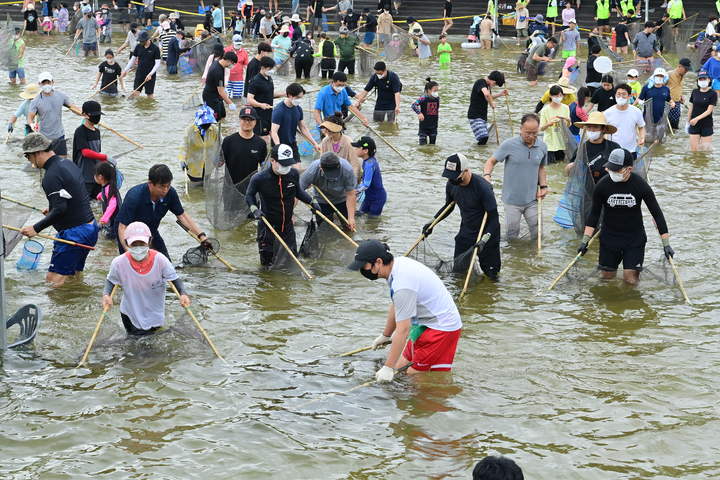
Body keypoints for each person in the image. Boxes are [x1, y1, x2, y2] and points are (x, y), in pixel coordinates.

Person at [347, 239, 463, 380]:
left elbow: (403, 330)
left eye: (364, 266)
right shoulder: (397, 266)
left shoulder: (403, 284)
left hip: (441, 328)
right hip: (424, 323)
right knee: (399, 368)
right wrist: (386, 335)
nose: (362, 271)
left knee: (414, 379)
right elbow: (396, 305)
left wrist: (387, 368)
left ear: (378, 262)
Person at [578, 148, 673, 285]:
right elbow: (594, 214)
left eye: (616, 170)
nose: (612, 172)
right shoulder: (602, 186)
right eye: (610, 169)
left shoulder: (641, 186)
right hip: (609, 238)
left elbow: (656, 214)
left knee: (631, 280)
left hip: (634, 239)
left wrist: (666, 244)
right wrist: (585, 241)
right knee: (606, 280)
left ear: (629, 169)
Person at [19, 133, 99, 287]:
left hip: (74, 235)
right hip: (90, 228)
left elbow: (61, 209)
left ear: (37, 152)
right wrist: (52, 209)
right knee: (73, 277)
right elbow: (75, 196)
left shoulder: (50, 176)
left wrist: (36, 228)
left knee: (52, 281)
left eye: (28, 156)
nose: (29, 161)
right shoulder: (68, 164)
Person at [104, 221, 191, 336]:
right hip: (130, 313)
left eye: (142, 243)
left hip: (155, 312)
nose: (138, 248)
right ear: (126, 243)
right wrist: (106, 295)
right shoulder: (119, 263)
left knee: (153, 339)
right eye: (134, 244)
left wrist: (183, 294)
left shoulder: (161, 260)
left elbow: (174, 280)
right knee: (137, 343)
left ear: (149, 241)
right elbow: (111, 281)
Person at [423, 153, 501, 279]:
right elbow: (448, 207)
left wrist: (483, 241)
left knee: (491, 276)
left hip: (487, 234)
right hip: (467, 232)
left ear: (465, 171)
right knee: (459, 273)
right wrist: (432, 223)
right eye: (449, 177)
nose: (452, 180)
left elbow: (494, 220)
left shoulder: (483, 188)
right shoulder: (452, 185)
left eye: (455, 177)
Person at [245, 144, 318, 267]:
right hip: (268, 227)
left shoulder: (293, 174)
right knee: (267, 266)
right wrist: (254, 210)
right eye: (282, 164)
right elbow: (249, 196)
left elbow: (299, 192)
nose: (286, 167)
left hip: (287, 227)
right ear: (272, 160)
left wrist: (312, 202)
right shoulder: (259, 178)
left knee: (291, 262)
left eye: (288, 163)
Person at [116, 164, 209, 259]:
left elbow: (182, 216)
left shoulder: (170, 193)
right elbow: (122, 227)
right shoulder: (134, 197)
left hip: (151, 231)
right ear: (150, 183)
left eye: (168, 186)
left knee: (166, 263)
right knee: (135, 266)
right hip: (131, 235)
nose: (165, 190)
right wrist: (127, 250)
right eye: (161, 186)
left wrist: (201, 236)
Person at [483, 113, 549, 240]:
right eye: (527, 132)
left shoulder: (542, 146)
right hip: (512, 200)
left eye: (534, 133)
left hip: (532, 199)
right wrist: (487, 176)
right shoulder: (509, 144)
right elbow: (491, 161)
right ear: (520, 129)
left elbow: (541, 168)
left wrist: (544, 186)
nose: (531, 136)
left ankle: (533, 258)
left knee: (538, 233)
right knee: (512, 235)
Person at [300, 152, 357, 230]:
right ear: (321, 167)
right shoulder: (313, 170)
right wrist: (289, 213)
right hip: (322, 200)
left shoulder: (347, 169)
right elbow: (297, 190)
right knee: (324, 230)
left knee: (349, 227)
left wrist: (351, 218)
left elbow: (351, 194)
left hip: (342, 199)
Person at [28, 71, 77, 157]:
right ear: (39, 84)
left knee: (63, 161)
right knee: (46, 163)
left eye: (48, 82)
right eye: (44, 83)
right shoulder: (35, 101)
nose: (46, 84)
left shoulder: (61, 96)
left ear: (52, 82)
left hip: (59, 135)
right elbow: (30, 117)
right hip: (44, 137)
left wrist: (85, 114)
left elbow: (73, 108)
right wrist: (32, 125)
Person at [566, 111, 620, 183]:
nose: (591, 130)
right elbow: (568, 172)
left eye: (595, 127)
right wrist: (569, 167)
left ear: (603, 129)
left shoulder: (614, 147)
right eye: (589, 127)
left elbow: (622, 169)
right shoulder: (582, 148)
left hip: (608, 184)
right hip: (587, 186)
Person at [271, 83, 320, 161]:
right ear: (290, 95)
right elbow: (274, 132)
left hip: (292, 143)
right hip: (280, 145)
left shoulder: (298, 109)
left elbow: (303, 128)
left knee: (297, 170)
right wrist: (279, 148)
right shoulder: (279, 111)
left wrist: (314, 143)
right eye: (298, 97)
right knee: (283, 171)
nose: (299, 100)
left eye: (301, 98)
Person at [221, 106, 267, 185]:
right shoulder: (228, 141)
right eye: (244, 119)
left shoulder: (261, 143)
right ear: (239, 120)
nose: (247, 122)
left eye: (250, 119)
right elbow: (218, 163)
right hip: (230, 187)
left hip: (251, 187)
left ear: (255, 122)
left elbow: (264, 166)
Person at [72, 100, 110, 197]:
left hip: (97, 175)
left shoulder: (97, 131)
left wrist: (106, 164)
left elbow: (97, 152)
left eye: (98, 114)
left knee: (98, 201)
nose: (97, 117)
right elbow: (85, 152)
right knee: (84, 201)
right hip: (84, 175)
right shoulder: (80, 131)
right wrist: (105, 157)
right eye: (94, 114)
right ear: (84, 115)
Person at [178, 105, 220, 185]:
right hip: (194, 167)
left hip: (208, 166)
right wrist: (182, 160)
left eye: (209, 123)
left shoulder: (214, 130)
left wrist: (220, 157)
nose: (207, 125)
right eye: (204, 123)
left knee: (206, 188)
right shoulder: (190, 130)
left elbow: (221, 144)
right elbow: (184, 147)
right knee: (195, 189)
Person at [603, 83, 646, 157]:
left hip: (631, 150)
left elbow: (641, 127)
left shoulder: (636, 111)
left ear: (629, 96)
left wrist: (642, 138)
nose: (621, 97)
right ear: (615, 95)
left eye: (624, 94)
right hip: (613, 151)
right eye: (618, 94)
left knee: (631, 168)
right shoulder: (607, 113)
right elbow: (603, 131)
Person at [468, 70, 508, 146]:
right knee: (484, 137)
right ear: (493, 80)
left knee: (484, 138)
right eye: (495, 84)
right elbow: (487, 94)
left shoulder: (487, 87)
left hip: (482, 116)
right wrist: (492, 103)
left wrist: (500, 94)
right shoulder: (481, 82)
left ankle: (479, 152)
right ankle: (477, 152)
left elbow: (488, 97)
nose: (494, 85)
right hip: (475, 116)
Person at [247, 56, 282, 142]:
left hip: (269, 112)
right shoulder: (255, 81)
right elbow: (249, 99)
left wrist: (284, 94)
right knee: (263, 137)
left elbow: (269, 94)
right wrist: (260, 105)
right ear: (263, 68)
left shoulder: (269, 78)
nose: (271, 71)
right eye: (270, 69)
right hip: (260, 114)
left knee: (271, 134)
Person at [120, 30, 161, 98]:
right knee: (135, 93)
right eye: (140, 41)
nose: (140, 42)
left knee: (149, 95)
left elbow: (157, 63)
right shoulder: (138, 46)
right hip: (139, 73)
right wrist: (125, 70)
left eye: (142, 41)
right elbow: (132, 60)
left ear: (147, 39)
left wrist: (150, 74)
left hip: (150, 75)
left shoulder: (155, 48)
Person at [352, 136, 386, 216]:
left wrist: (353, 192)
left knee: (372, 221)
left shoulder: (369, 164)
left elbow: (366, 185)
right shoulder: (366, 161)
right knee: (360, 215)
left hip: (377, 199)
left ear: (365, 151)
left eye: (357, 148)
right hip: (368, 197)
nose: (355, 150)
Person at [202, 51, 238, 121]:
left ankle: (223, 131)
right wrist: (230, 103)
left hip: (216, 95)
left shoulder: (218, 63)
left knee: (222, 114)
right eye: (233, 63)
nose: (232, 66)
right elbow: (221, 91)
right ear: (228, 61)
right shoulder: (217, 71)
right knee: (215, 118)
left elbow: (220, 87)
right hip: (210, 97)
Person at [540, 84, 571, 164]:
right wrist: (549, 123)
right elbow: (541, 128)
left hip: (562, 142)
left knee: (560, 165)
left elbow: (568, 125)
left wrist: (567, 120)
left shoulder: (566, 108)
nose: (558, 97)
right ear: (550, 96)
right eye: (556, 96)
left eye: (560, 95)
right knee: (550, 166)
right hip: (550, 143)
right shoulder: (545, 110)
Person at [687, 70, 716, 151]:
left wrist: (696, 119)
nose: (702, 81)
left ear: (709, 80)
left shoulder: (713, 93)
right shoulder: (694, 92)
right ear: (697, 81)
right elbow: (691, 107)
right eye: (700, 79)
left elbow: (709, 111)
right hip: (694, 124)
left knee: (705, 152)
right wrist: (687, 121)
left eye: (704, 79)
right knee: (694, 151)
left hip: (706, 124)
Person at [94, 161, 122, 239]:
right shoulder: (108, 186)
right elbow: (105, 195)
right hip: (113, 220)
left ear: (100, 177)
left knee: (110, 239)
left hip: (115, 222)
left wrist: (103, 220)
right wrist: (100, 196)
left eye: (95, 174)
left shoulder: (109, 189)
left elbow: (113, 205)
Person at [410, 78, 440, 145]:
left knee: (432, 146)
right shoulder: (423, 98)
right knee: (423, 147)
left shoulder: (437, 98)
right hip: (423, 127)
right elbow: (414, 105)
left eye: (437, 90)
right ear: (429, 90)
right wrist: (419, 113)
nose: (436, 92)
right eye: (435, 90)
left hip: (434, 126)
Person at [667, 58, 691, 130]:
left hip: (677, 104)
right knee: (667, 127)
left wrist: (680, 95)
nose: (686, 71)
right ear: (679, 66)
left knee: (675, 128)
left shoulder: (682, 76)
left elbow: (676, 88)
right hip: (668, 104)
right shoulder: (668, 75)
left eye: (688, 70)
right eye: (685, 69)